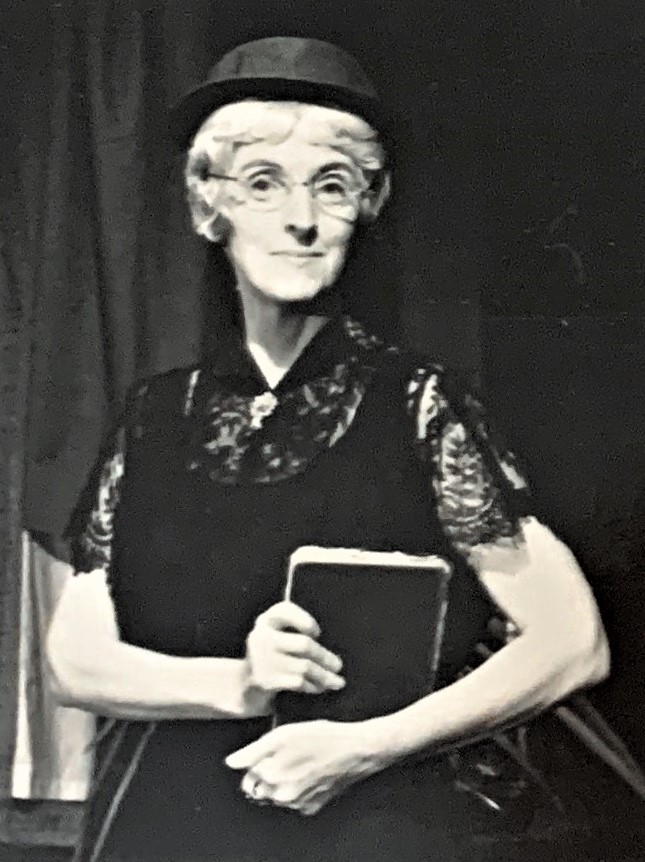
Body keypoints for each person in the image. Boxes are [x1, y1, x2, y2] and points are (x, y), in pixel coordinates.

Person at [46, 36, 610, 862]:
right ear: (208, 207)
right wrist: (239, 684)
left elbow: (571, 642)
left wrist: (364, 749)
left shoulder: (416, 402)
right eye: (262, 184)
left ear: (367, 207)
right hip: (167, 826)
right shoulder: (152, 416)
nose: (301, 219)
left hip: (366, 830)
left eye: (333, 185)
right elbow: (73, 663)